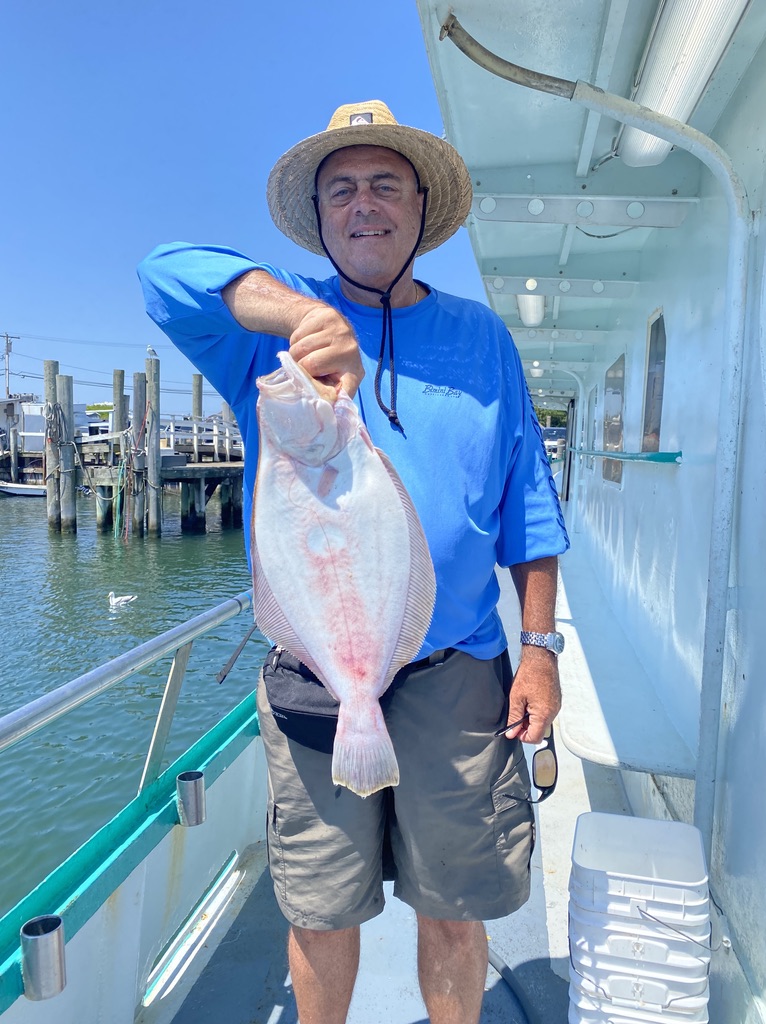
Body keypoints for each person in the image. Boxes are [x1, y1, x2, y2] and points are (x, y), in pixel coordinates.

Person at [138, 99, 569, 1024]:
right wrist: (306, 315)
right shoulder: (272, 329)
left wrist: (539, 647)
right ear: (319, 215)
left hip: (460, 672)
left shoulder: (483, 338)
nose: (363, 204)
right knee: (321, 908)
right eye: (340, 190)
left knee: (454, 908)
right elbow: (162, 276)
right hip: (317, 671)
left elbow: (528, 502)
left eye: (384, 184)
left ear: (421, 207)